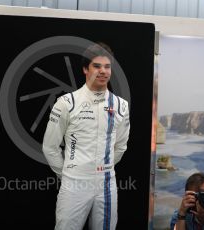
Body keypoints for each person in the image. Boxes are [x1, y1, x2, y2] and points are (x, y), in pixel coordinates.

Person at [42, 42, 130, 230]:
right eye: (97, 66)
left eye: (107, 66)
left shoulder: (121, 105)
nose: (103, 71)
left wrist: (101, 170)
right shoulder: (67, 102)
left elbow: (121, 146)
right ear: (85, 69)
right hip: (74, 183)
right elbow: (50, 147)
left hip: (106, 184)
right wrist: (69, 173)